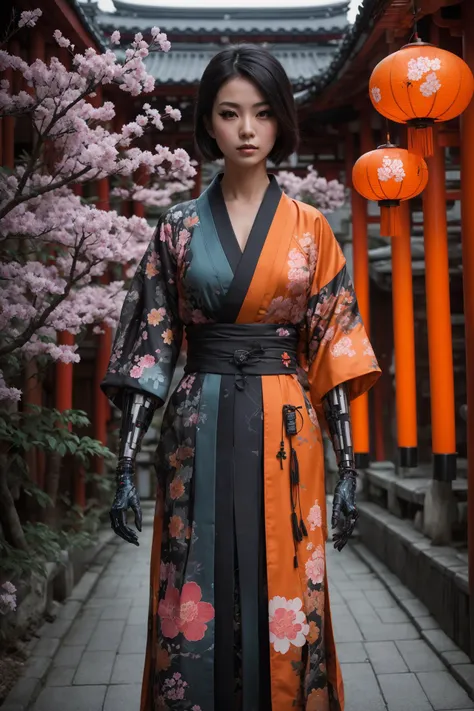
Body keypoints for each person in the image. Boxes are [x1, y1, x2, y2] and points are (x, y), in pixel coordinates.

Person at [101, 44, 381, 711]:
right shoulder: (174, 228)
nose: (247, 129)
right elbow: (149, 344)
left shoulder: (313, 230)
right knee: (190, 583)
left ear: (281, 121)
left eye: (261, 113)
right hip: (195, 423)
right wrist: (122, 465)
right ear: (209, 123)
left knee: (290, 581)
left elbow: (334, 346)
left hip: (288, 423)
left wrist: (351, 469)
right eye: (230, 114)